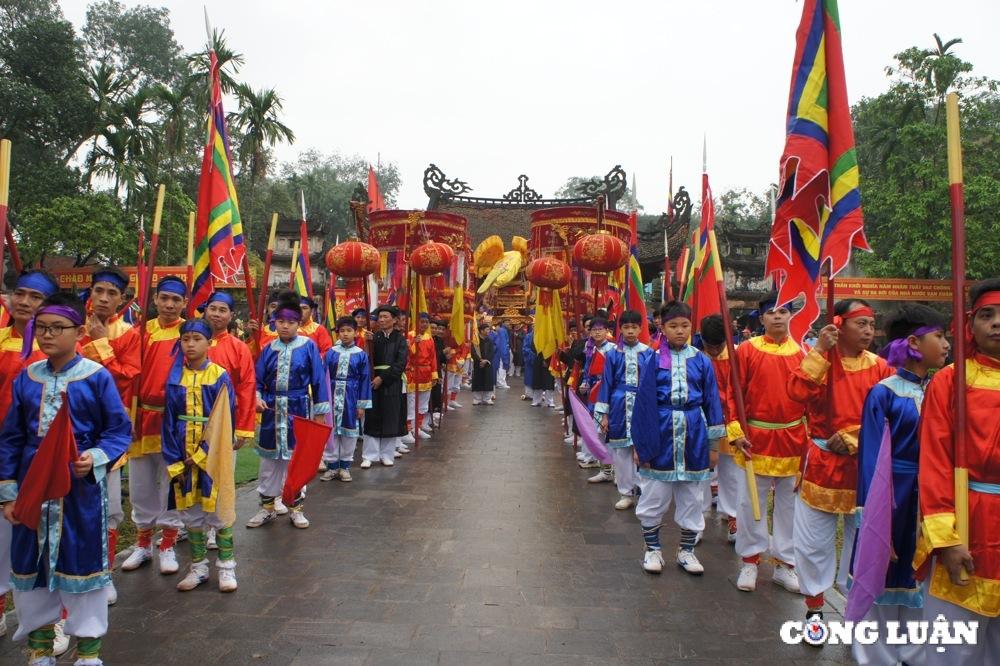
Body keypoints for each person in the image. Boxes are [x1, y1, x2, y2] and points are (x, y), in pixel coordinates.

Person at [0, 292, 132, 666]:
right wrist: (9, 494)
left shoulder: (96, 377)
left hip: (80, 493)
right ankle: (40, 650)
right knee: (32, 571)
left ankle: (89, 654)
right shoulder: (27, 378)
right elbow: (11, 439)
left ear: (78, 333)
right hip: (33, 488)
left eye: (57, 328)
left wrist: (93, 458)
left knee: (82, 567)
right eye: (41, 328)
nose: (47, 335)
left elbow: (118, 431)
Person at [848, 305, 949, 665]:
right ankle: (875, 655)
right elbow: (873, 461)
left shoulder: (943, 389)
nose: (946, 343)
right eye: (939, 336)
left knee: (918, 573)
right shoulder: (884, 394)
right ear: (913, 342)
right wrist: (875, 518)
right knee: (884, 568)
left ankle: (913, 652)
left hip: (932, 495)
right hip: (892, 493)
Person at [788, 299, 892, 621]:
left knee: (862, 539)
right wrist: (819, 350)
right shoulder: (820, 361)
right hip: (824, 462)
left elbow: (893, 417)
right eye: (861, 323)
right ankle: (815, 608)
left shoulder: (880, 366)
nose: (868, 331)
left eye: (871, 325)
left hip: (866, 467)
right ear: (839, 325)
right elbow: (796, 393)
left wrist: (856, 437)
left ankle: (855, 607)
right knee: (813, 541)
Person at [916, 279, 1000, 665]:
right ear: (971, 323)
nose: (997, 323)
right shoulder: (951, 381)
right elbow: (934, 463)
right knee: (955, 643)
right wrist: (946, 540)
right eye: (988, 315)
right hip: (968, 522)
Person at [631, 302, 724, 575]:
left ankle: (686, 551)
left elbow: (712, 403)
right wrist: (641, 444)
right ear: (663, 327)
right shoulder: (651, 359)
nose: (680, 331)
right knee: (653, 495)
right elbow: (643, 404)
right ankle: (652, 550)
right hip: (659, 432)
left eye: (685, 326)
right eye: (673, 326)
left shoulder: (702, 361)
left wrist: (714, 444)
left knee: (693, 497)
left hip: (694, 432)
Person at [729, 292, 806, 593]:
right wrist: (736, 431)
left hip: (792, 438)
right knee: (751, 502)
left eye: (783, 311)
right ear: (761, 318)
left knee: (790, 506)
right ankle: (750, 561)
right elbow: (732, 392)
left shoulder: (802, 354)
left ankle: (786, 564)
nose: (777, 316)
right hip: (755, 437)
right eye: (771, 312)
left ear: (790, 316)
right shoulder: (747, 350)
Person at [0, 270, 59, 637]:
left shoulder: (56, 348)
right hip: (3, 450)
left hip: (40, 457)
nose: (24, 302)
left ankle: (52, 619)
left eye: (34, 297)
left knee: (44, 538)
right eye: (19, 294)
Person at [79, 267, 140, 606]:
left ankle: (103, 574)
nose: (103, 298)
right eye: (99, 290)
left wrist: (101, 342)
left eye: (111, 293)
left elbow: (125, 379)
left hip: (107, 435)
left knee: (110, 507)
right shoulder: (70, 326)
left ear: (122, 298)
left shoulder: (128, 333)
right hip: (68, 430)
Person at [161, 319, 238, 592]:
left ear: (209, 342)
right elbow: (168, 421)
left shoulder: (219, 376)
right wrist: (175, 458)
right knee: (191, 513)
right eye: (185, 339)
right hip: (181, 452)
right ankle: (198, 567)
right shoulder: (174, 378)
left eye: (197, 338)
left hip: (213, 455)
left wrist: (204, 454)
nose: (190, 344)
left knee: (217, 510)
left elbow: (224, 418)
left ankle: (227, 567)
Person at [247, 291, 330, 529]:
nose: (285, 326)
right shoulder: (268, 348)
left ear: (298, 323)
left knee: (296, 461)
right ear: (274, 322)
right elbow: (258, 380)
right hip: (272, 410)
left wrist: (320, 412)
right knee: (268, 463)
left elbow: (318, 381)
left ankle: (296, 508)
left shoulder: (309, 347)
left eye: (290, 322)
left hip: (298, 409)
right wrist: (258, 398)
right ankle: (267, 508)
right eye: (281, 322)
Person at [123, 275, 187, 577]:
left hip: (173, 419)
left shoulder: (190, 333)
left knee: (172, 482)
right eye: (165, 298)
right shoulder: (140, 332)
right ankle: (143, 541)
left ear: (185, 303)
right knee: (140, 484)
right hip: (141, 416)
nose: (170, 304)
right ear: (156, 299)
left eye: (176, 300)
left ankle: (169, 542)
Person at [202, 291, 257, 548]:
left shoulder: (238, 347)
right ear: (205, 310)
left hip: (225, 421)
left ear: (231, 315)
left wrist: (244, 429)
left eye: (223, 310)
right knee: (189, 473)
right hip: (191, 419)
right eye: (213, 308)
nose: (216, 314)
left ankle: (215, 527)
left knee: (220, 474)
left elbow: (247, 387)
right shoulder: (190, 340)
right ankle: (187, 524)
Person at [594, 310, 653, 511]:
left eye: (634, 327)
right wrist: (604, 414)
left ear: (640, 328)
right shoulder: (612, 355)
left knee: (643, 450)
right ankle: (625, 492)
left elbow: (652, 385)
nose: (630, 331)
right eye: (626, 327)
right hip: (619, 405)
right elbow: (607, 383)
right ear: (620, 329)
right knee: (621, 452)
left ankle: (644, 490)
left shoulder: (648, 353)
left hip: (641, 405)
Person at [699, 314, 740, 543]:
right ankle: (699, 517)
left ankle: (732, 516)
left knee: (731, 472)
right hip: (702, 422)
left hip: (730, 421)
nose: (714, 351)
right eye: (709, 346)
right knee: (702, 471)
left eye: (719, 346)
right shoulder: (695, 357)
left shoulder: (737, 354)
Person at [320, 317, 372, 482]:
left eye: (349, 330)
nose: (345, 334)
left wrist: (361, 405)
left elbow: (365, 379)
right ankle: (332, 466)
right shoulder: (331, 353)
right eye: (342, 331)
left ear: (355, 332)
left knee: (350, 432)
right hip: (332, 394)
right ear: (338, 333)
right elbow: (323, 376)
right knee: (331, 431)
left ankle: (345, 466)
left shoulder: (361, 355)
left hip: (351, 394)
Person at [361, 305, 408, 467]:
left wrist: (383, 378)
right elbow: (365, 358)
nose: (381, 320)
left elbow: (400, 364)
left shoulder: (401, 340)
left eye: (385, 317)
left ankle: (387, 454)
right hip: (373, 381)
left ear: (394, 320)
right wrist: (367, 344)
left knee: (390, 417)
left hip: (391, 382)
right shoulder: (374, 338)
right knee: (372, 417)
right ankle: (369, 455)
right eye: (380, 317)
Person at [579, 317, 616, 474]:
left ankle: (613, 469)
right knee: (596, 430)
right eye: (594, 330)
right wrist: (585, 383)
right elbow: (588, 370)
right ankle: (605, 469)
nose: (597, 332)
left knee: (608, 431)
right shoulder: (591, 348)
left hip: (609, 394)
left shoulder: (613, 349)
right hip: (594, 394)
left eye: (600, 329)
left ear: (607, 331)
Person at [402, 313, 438, 445]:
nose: (424, 324)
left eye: (426, 322)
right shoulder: (409, 335)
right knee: (411, 402)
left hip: (426, 372)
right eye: (421, 321)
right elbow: (407, 355)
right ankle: (409, 429)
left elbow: (433, 357)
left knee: (423, 402)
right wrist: (413, 343)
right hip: (413, 372)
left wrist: (434, 374)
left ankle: (418, 427)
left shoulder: (429, 338)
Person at [471, 322, 496, 405]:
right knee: (478, 380)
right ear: (481, 331)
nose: (489, 331)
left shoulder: (490, 340)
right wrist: (479, 360)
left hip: (488, 363)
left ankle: (487, 398)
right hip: (478, 364)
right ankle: (477, 399)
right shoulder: (475, 340)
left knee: (488, 380)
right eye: (487, 329)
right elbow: (473, 352)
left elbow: (492, 352)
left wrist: (486, 360)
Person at [494, 320, 511, 389]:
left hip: (502, 350)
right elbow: (503, 342)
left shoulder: (503, 330)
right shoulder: (503, 331)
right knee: (502, 367)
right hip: (502, 351)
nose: (508, 323)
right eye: (507, 322)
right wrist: (504, 353)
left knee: (501, 367)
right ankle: (501, 383)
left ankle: (500, 382)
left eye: (509, 322)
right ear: (503, 323)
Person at [521, 323, 536, 402]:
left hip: (538, 360)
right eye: (533, 326)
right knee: (529, 376)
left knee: (537, 377)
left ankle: (538, 395)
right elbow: (525, 347)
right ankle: (529, 394)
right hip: (529, 359)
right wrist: (532, 354)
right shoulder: (528, 336)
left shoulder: (541, 336)